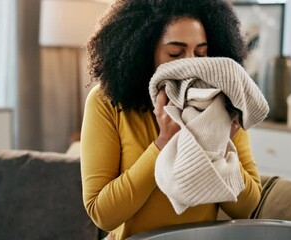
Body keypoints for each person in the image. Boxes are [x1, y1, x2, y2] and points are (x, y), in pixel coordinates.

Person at [81, 0, 262, 239]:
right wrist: (162, 142)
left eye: (201, 53)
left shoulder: (224, 102)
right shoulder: (106, 102)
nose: (191, 64)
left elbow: (248, 208)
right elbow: (102, 213)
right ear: (144, 52)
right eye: (175, 53)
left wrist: (218, 150)